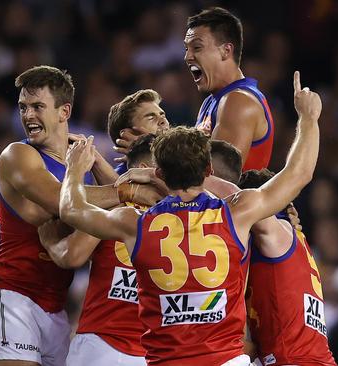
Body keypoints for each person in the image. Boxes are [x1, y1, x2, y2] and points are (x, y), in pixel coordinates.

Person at [56, 71, 320, 365]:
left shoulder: (134, 223)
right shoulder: (236, 213)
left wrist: (73, 169)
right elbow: (300, 172)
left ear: (159, 173)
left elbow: (70, 209)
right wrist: (308, 118)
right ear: (208, 170)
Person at [0, 65, 159, 366]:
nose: (28, 115)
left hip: (56, 307)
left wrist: (101, 168)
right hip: (14, 298)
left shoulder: (79, 176)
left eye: (37, 107)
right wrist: (131, 190)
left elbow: (97, 208)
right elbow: (61, 201)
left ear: (64, 112)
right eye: (23, 107)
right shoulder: (17, 155)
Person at [38, 134, 159, 366]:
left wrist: (51, 241)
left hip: (100, 347)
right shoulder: (182, 214)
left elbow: (72, 254)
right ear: (146, 169)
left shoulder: (116, 210)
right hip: (156, 351)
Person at [236, 169, 336, 366]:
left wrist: (193, 182)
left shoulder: (278, 234)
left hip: (293, 360)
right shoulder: (291, 239)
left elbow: (257, 208)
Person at [185, 7, 274, 171]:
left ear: (226, 51)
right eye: (186, 49)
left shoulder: (238, 101)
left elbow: (218, 179)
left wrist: (152, 171)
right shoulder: (210, 102)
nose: (187, 56)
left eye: (197, 48)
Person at [107, 89, 170, 174]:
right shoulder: (119, 180)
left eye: (162, 115)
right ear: (127, 135)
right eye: (151, 118)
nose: (163, 121)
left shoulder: (181, 154)